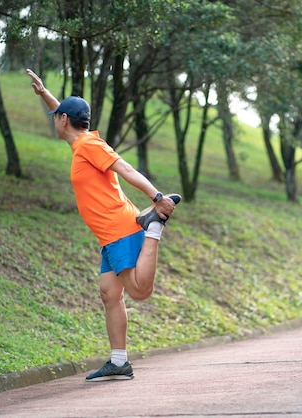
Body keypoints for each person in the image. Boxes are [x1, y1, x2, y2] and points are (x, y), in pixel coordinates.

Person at [26, 69, 181, 382]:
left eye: (57, 115)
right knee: (110, 294)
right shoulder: (80, 143)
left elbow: (124, 167)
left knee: (139, 291)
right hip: (108, 234)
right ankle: (119, 361)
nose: (55, 118)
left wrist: (157, 198)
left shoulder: (90, 146)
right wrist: (45, 93)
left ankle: (153, 226)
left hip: (120, 228)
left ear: (64, 121)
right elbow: (64, 111)